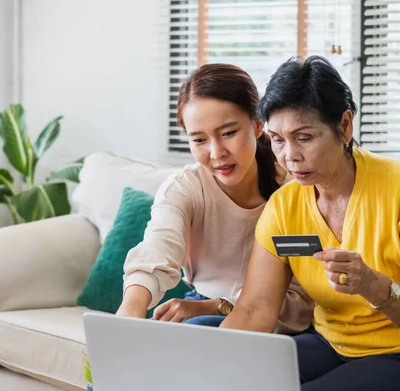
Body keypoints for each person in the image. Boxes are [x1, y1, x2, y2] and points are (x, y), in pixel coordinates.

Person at [220, 55, 400, 390]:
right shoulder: (284, 206)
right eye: (277, 140)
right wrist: (214, 367)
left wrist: (371, 284)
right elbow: (254, 310)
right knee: (242, 376)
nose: (289, 156)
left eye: (305, 137)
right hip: (336, 344)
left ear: (344, 125)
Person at [115, 63, 314, 332]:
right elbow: (157, 250)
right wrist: (131, 310)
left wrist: (217, 307)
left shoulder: (297, 191)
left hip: (273, 318)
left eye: (228, 133)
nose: (216, 152)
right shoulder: (185, 188)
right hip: (199, 309)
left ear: (258, 125)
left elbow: (300, 297)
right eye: (199, 140)